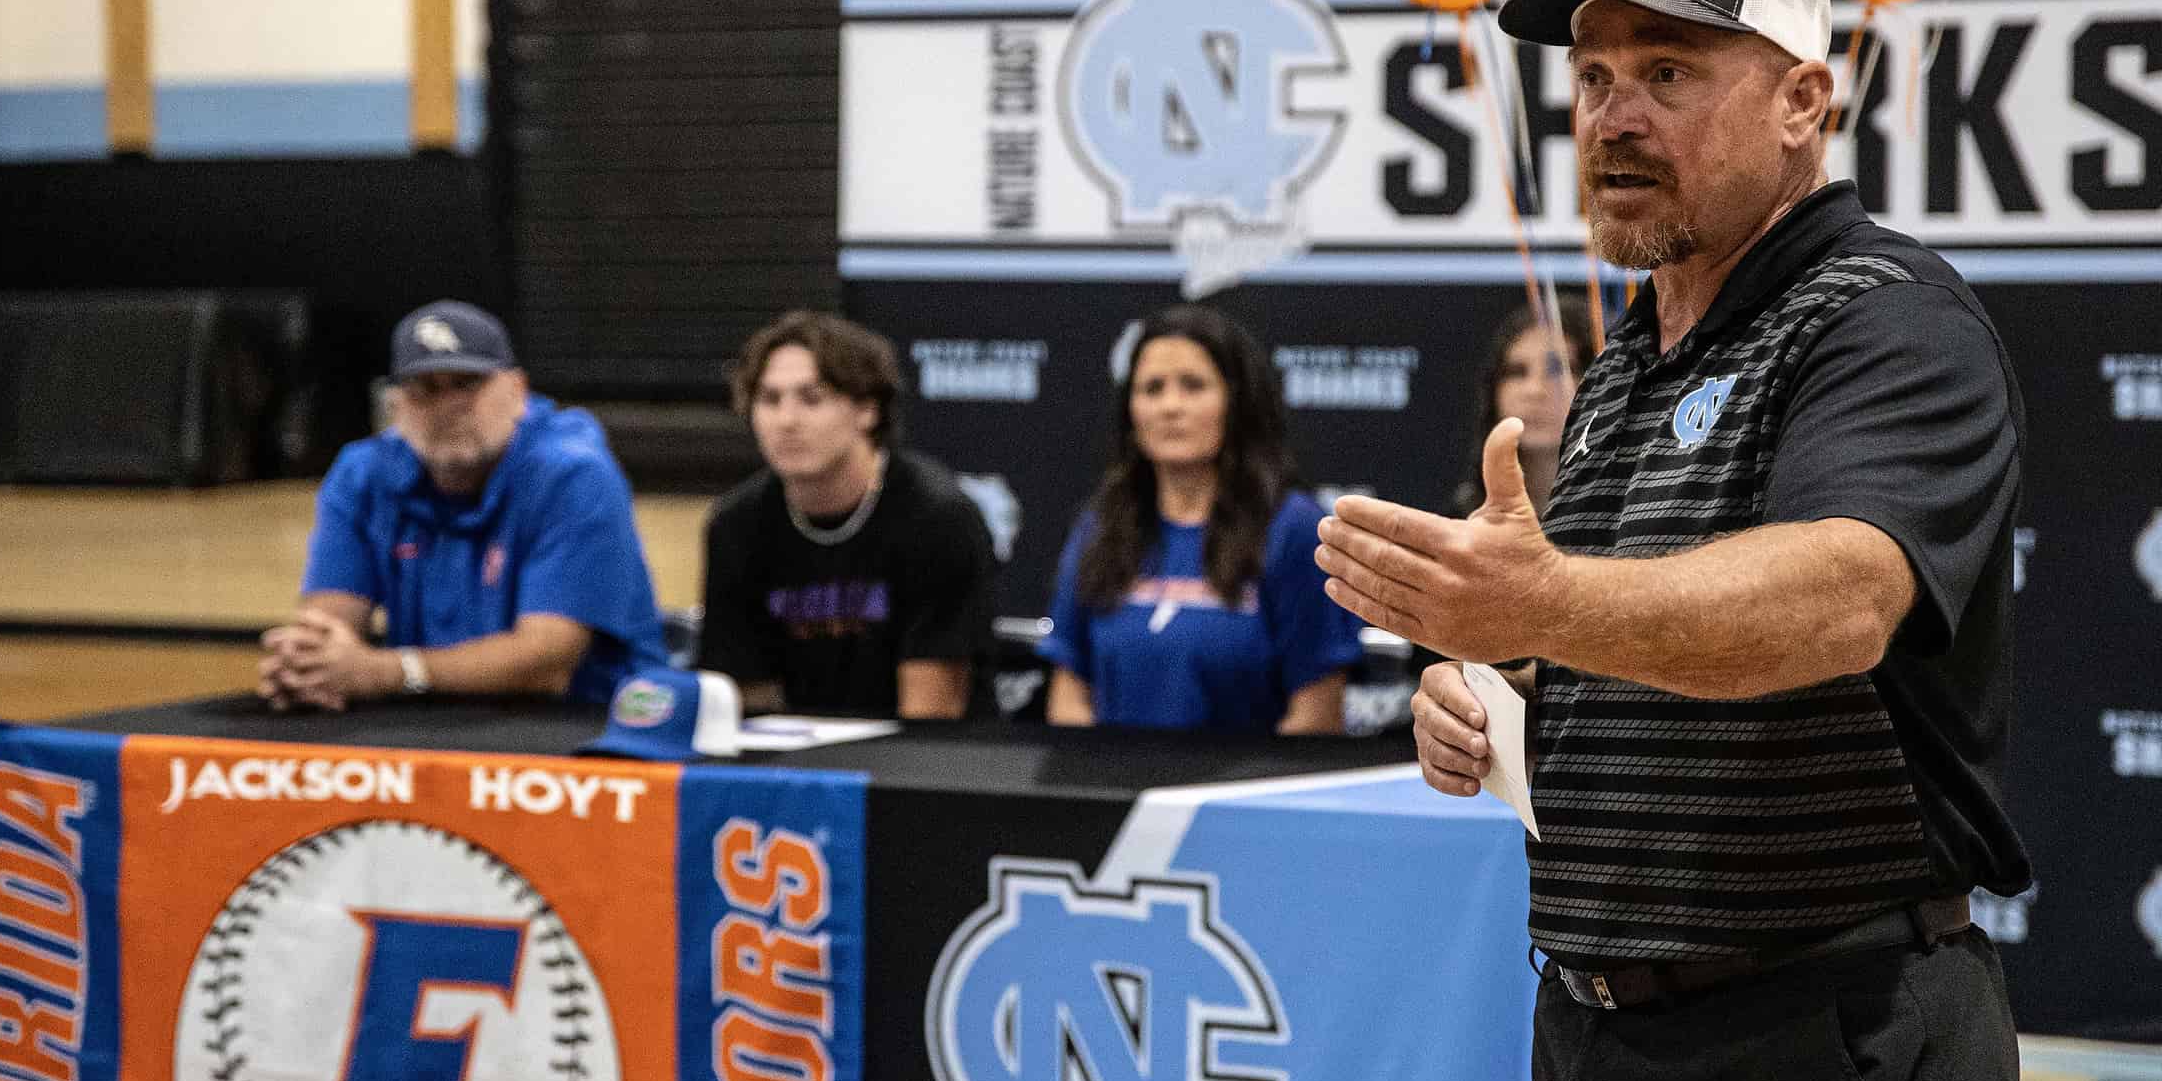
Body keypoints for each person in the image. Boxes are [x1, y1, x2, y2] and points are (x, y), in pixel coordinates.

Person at [1314, 0, 2030, 1081]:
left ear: (1803, 102)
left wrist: (1535, 612)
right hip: (1602, 1049)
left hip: (1820, 1045)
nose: (1612, 115)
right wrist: (1477, 689)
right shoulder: (1630, 362)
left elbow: (1832, 600)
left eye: (1670, 72)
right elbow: (1581, 638)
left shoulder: (1886, 319)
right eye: (1591, 77)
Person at [262, 300, 667, 710]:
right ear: (395, 404)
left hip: (592, 727)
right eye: (425, 389)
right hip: (437, 720)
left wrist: (389, 671)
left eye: (467, 383)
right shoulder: (362, 474)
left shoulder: (572, 474)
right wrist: (306, 665)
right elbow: (327, 626)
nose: (448, 405)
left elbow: (547, 661)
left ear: (517, 390)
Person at [1043, 305, 1361, 734]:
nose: (1170, 406)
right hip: (1110, 793)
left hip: (1239, 797)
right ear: (1130, 412)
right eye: (1152, 389)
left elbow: (1316, 715)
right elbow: (1069, 692)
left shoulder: (1295, 530)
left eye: (1193, 386)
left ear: (1238, 401)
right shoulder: (1099, 527)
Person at [696, 310, 994, 718]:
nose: (786, 420)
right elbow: (743, 700)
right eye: (769, 399)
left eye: (811, 398)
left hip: (922, 757)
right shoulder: (736, 525)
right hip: (792, 758)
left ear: (867, 409)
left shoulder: (937, 518)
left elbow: (931, 715)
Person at [1453, 291, 1603, 520]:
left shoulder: (1636, 512)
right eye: (1516, 372)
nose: (1534, 391)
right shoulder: (1464, 518)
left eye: (1558, 369)